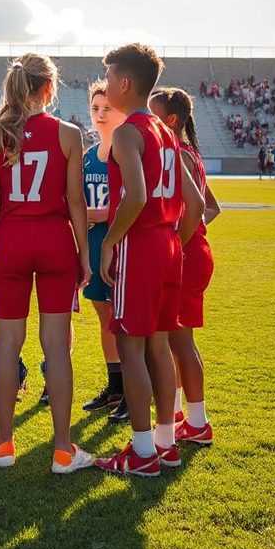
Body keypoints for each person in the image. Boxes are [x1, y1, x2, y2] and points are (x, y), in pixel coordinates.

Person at [0, 53, 93, 474]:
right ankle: (63, 450)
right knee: (56, 347)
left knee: (7, 344)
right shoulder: (67, 133)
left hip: (11, 241)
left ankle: (4, 444)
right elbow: (75, 201)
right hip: (54, 241)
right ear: (48, 88)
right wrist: (83, 253)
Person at [94, 44, 204, 478]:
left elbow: (136, 196)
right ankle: (165, 442)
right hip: (168, 246)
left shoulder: (127, 132)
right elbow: (193, 205)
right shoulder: (165, 131)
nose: (104, 86)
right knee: (159, 345)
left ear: (124, 83)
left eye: (107, 78)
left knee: (130, 347)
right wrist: (170, 242)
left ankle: (141, 452)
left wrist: (109, 244)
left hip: (139, 246)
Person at [150, 88, 220, 445]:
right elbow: (214, 207)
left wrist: (178, 241)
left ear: (171, 120)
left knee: (180, 342)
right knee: (177, 342)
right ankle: (182, 415)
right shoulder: (186, 152)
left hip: (187, 258)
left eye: (153, 113)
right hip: (194, 253)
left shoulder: (177, 153)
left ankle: (197, 422)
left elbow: (196, 208)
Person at [81, 80, 129, 422]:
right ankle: (114, 385)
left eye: (107, 108)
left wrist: (95, 214)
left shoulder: (125, 149)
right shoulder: (88, 156)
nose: (100, 114)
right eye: (96, 108)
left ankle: (130, 389)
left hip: (120, 245)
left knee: (122, 319)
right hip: (94, 246)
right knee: (103, 314)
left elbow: (133, 200)